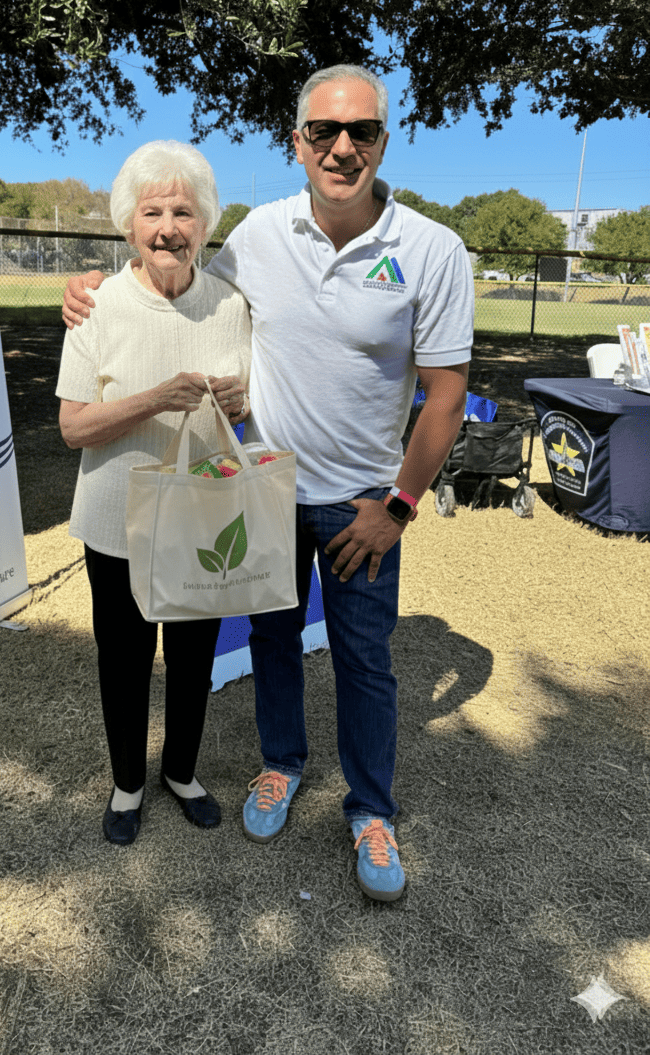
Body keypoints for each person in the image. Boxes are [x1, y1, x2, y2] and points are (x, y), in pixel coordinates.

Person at [62, 66, 473, 897]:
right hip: (268, 492)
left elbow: (448, 395)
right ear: (298, 142)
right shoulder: (260, 235)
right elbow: (171, 285)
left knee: (364, 660)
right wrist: (87, 288)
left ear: (384, 141)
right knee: (275, 643)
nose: (342, 146)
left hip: (363, 503)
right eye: (324, 131)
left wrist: (398, 506)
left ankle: (371, 813)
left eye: (360, 131)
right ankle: (280, 766)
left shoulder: (431, 248)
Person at [56, 140, 251, 846]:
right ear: (129, 225)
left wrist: (240, 401)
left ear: (205, 224)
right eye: (153, 212)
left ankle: (181, 772)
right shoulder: (97, 305)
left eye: (184, 211)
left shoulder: (232, 305)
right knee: (126, 656)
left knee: (194, 656)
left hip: (201, 515)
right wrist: (154, 399)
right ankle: (127, 784)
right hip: (116, 521)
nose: (169, 226)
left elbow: (248, 407)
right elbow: (74, 428)